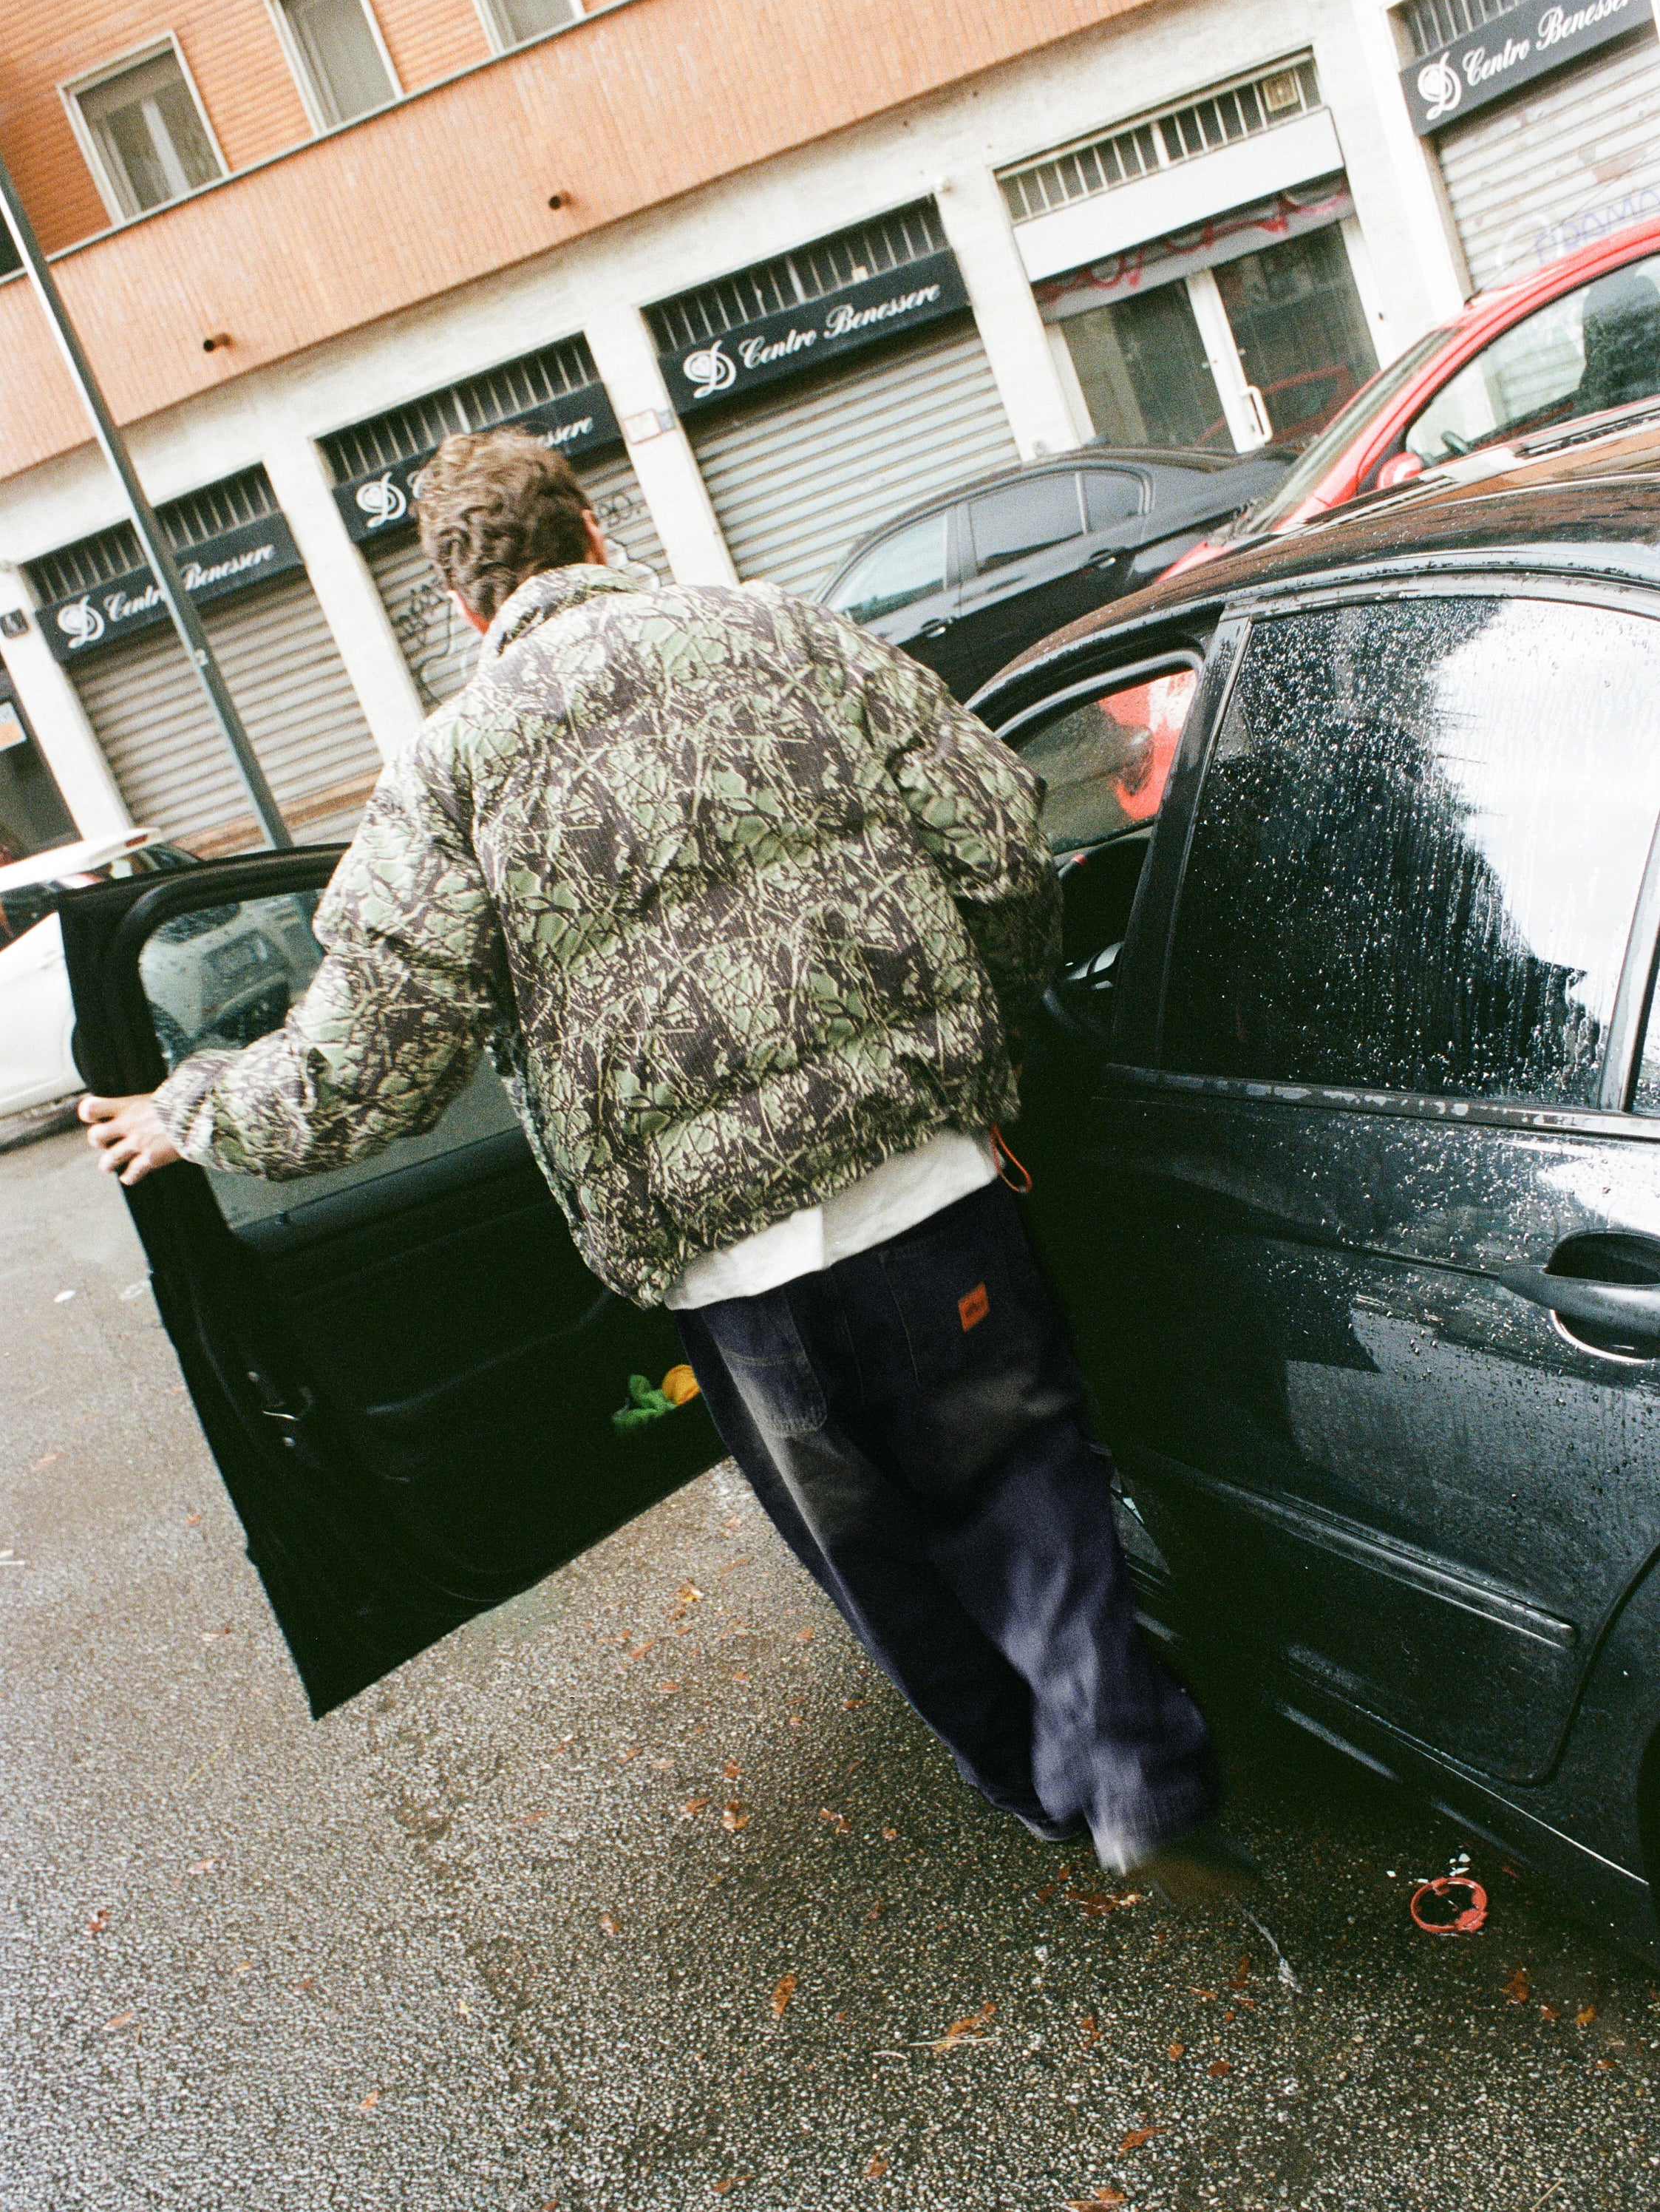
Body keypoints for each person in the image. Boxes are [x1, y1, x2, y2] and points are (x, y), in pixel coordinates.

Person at [81, 427, 1246, 1902]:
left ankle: (1034, 1788)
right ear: (596, 529)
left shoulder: (449, 773)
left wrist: (194, 1108)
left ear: (457, 600)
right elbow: (1001, 841)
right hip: (927, 1182)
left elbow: (365, 1059)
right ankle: (1132, 1762)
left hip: (735, 1277)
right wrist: (984, 1039)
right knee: (1024, 1468)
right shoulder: (782, 632)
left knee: (869, 1551)